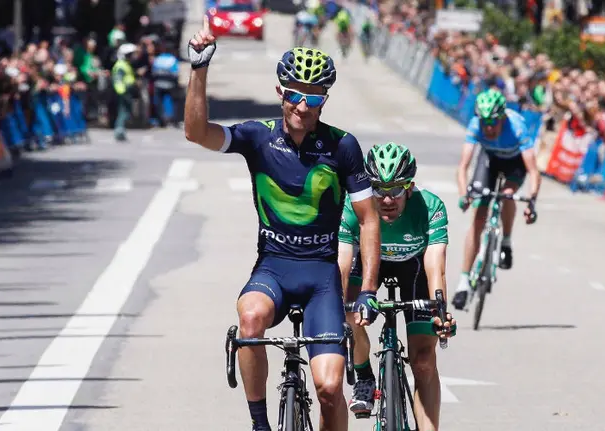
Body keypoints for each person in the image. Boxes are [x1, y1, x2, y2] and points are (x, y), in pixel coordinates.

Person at [184, 17, 381, 431]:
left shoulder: (342, 145)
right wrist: (199, 67)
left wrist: (366, 291)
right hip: (273, 268)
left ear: (325, 100)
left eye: (313, 97)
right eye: (294, 94)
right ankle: (260, 425)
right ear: (280, 92)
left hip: (322, 279)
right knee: (249, 319)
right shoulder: (259, 136)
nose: (302, 105)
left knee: (329, 389)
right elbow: (197, 132)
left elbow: (368, 219)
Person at [338, 142, 456, 430]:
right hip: (368, 264)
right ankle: (365, 376)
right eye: (378, 189)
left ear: (410, 187)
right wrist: (334, 306)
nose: (387, 199)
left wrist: (440, 308)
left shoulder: (430, 207)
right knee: (346, 313)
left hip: (412, 269)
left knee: (424, 359)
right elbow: (342, 262)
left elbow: (435, 266)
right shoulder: (353, 207)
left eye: (396, 190)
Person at [452, 89, 540, 310]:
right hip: (490, 161)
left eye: (493, 122)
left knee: (508, 194)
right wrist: (464, 194)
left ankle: (506, 242)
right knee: (478, 217)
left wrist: (531, 202)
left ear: (502, 118)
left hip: (514, 164)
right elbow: (462, 167)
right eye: (485, 122)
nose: (488, 127)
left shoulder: (517, 128)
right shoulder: (475, 125)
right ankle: (463, 283)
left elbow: (534, 171)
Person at [111, 43, 138, 142]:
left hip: (127, 91)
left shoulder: (125, 64)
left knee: (125, 112)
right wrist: (122, 92)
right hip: (124, 92)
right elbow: (118, 80)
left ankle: (121, 131)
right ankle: (119, 131)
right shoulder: (120, 65)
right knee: (123, 112)